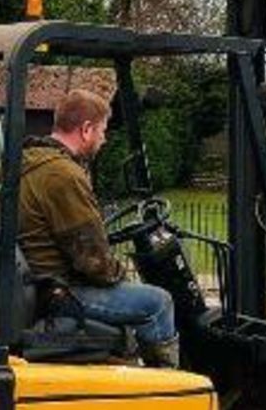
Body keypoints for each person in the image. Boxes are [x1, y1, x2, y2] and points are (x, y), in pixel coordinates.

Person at [18, 88, 180, 368]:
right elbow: (93, 261)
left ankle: (129, 362)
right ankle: (165, 389)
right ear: (86, 129)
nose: (104, 139)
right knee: (158, 302)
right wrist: (119, 273)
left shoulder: (28, 164)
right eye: (103, 131)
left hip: (39, 282)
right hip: (60, 292)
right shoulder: (63, 175)